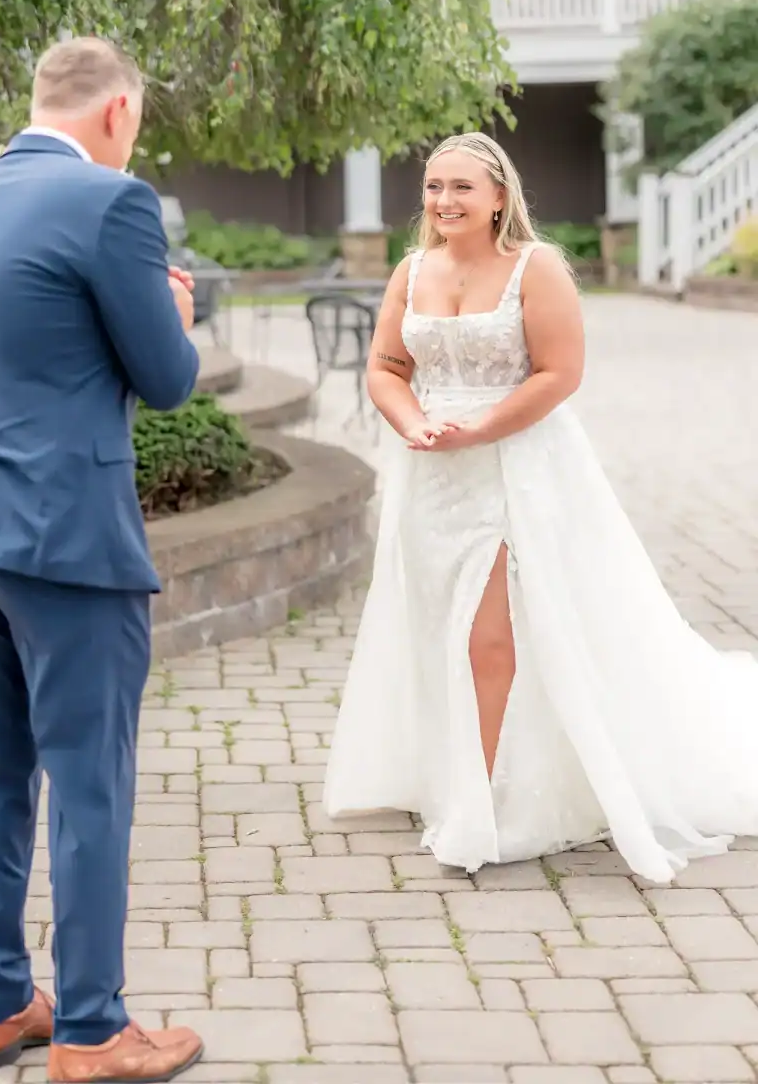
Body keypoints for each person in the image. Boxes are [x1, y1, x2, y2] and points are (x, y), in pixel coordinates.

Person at [323, 131, 758, 886]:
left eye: (462, 187)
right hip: (431, 472)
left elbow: (561, 372)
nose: (444, 200)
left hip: (516, 466)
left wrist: (483, 428)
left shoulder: (536, 266)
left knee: (490, 635)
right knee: (440, 624)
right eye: (434, 187)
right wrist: (412, 421)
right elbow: (387, 368)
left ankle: (484, 804)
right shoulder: (410, 271)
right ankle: (456, 769)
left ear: (499, 196)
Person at [0, 38, 203, 1081]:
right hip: (65, 537)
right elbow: (167, 377)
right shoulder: (113, 203)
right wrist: (176, 315)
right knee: (90, 781)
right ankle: (94, 1030)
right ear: (116, 112)